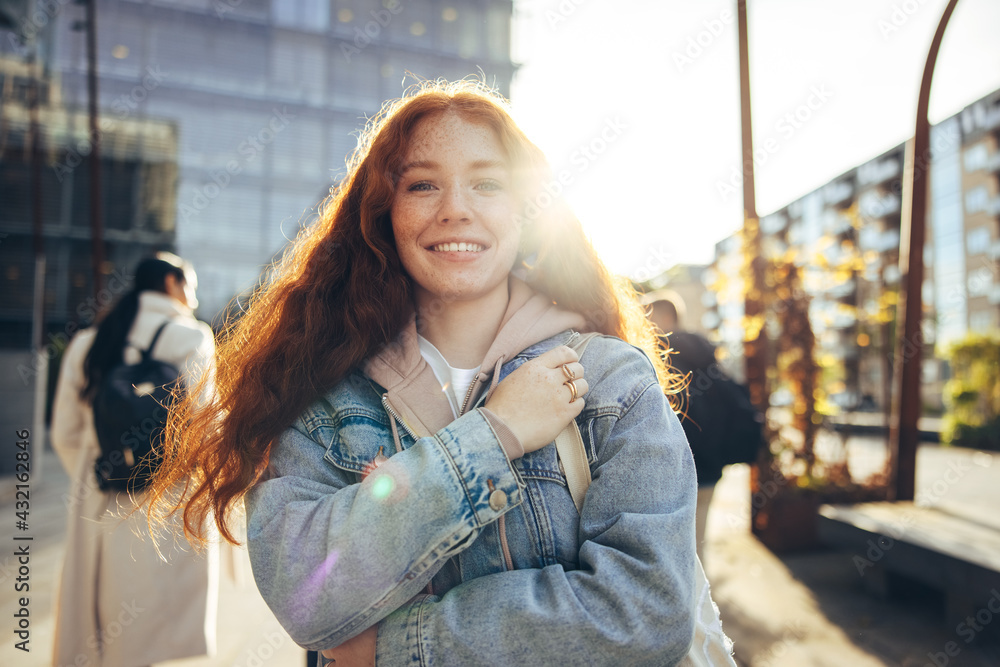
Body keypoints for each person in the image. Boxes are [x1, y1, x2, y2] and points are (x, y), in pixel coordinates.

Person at [150, 80, 710, 666]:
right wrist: (493, 434)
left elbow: (648, 611)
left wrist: (401, 646)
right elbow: (305, 597)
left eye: (487, 183)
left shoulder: (611, 381)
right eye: (422, 184)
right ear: (383, 214)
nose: (455, 209)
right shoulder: (322, 390)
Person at [51, 252, 218, 666]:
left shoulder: (90, 342)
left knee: (104, 625)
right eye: (189, 287)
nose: (193, 299)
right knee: (155, 628)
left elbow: (65, 433)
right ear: (169, 284)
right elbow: (204, 423)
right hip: (168, 496)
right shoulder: (192, 337)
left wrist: (106, 471)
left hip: (100, 495)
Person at [644, 290, 729, 564]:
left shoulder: (661, 356)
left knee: (672, 552)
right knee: (698, 545)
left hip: (674, 470)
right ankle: (700, 603)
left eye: (650, 315)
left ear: (666, 316)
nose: (645, 322)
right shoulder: (706, 352)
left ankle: (686, 602)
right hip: (710, 467)